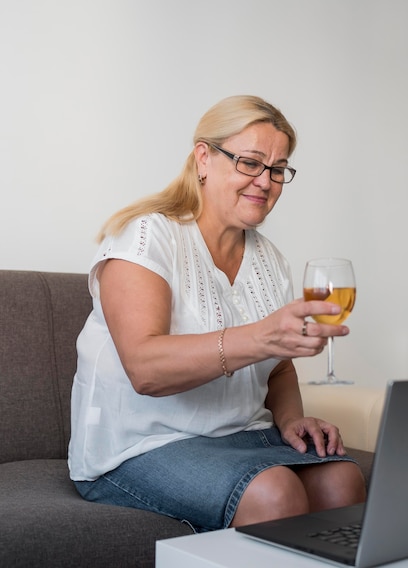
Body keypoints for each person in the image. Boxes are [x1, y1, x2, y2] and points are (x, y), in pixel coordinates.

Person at [68, 95, 366, 532]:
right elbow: (145, 369)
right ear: (203, 158)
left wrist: (291, 419)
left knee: (342, 480)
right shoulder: (146, 237)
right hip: (142, 446)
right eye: (250, 162)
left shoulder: (270, 260)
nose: (265, 182)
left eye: (278, 169)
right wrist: (258, 337)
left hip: (240, 438)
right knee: (273, 491)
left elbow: (278, 367)